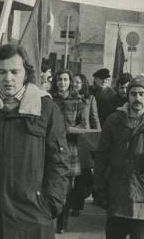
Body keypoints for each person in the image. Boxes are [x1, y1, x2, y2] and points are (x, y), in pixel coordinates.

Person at [0, 43, 69, 238]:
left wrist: (50, 205)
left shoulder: (45, 107)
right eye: (1, 72)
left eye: (14, 72)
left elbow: (58, 162)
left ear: (26, 73)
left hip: (33, 218)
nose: (8, 78)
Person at [94, 75, 144, 239]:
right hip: (117, 193)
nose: (137, 98)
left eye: (141, 94)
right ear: (128, 96)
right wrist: (99, 187)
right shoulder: (113, 120)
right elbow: (101, 156)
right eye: (133, 94)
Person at [50, 69, 86, 233]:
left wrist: (68, 129)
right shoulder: (50, 99)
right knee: (50, 184)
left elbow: (83, 126)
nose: (62, 83)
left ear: (70, 82)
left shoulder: (78, 101)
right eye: (59, 80)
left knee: (67, 188)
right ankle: (50, 219)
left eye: (65, 80)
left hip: (70, 149)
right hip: (51, 147)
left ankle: (62, 224)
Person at [71, 73, 101, 217]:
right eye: (74, 82)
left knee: (82, 174)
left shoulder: (90, 99)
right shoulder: (68, 98)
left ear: (83, 84)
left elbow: (94, 119)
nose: (75, 84)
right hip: (69, 138)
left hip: (84, 139)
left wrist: (98, 137)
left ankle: (77, 204)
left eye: (78, 82)